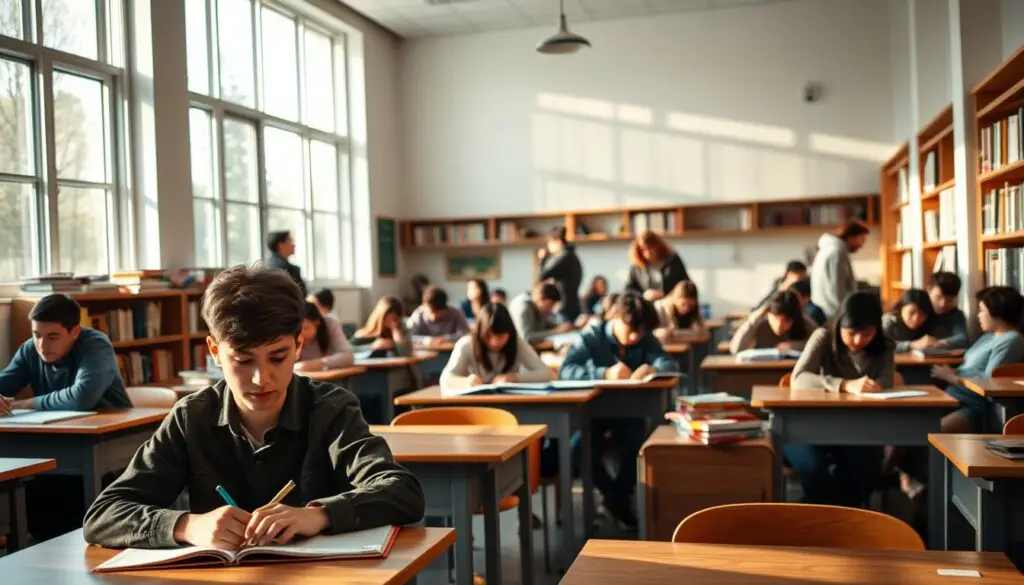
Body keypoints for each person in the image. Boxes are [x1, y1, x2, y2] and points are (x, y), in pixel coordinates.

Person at [83, 266, 425, 549]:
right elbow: (103, 515)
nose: (262, 378)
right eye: (243, 360)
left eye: (278, 357)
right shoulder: (192, 417)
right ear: (215, 352)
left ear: (298, 345)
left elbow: (402, 492)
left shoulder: (331, 410)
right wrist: (187, 526)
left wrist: (318, 514)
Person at [0, 294, 132, 541]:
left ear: (74, 332)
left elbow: (82, 397)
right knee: (31, 485)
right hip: (52, 439)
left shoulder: (95, 344)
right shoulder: (31, 349)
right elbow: (5, 383)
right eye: (36, 335)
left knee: (68, 492)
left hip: (108, 443)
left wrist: (26, 403)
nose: (42, 345)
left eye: (52, 336)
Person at [560, 293, 678, 528]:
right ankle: (617, 500)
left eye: (641, 332)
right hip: (591, 412)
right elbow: (567, 369)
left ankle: (616, 500)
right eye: (631, 329)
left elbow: (669, 364)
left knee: (638, 442)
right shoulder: (593, 335)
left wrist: (652, 368)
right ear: (616, 318)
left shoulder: (645, 338)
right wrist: (603, 373)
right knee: (577, 448)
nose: (635, 336)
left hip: (629, 412)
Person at [784, 291, 892, 506]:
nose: (859, 340)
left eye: (868, 334)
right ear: (840, 324)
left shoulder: (884, 346)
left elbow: (888, 379)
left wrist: (880, 385)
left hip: (853, 429)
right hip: (806, 427)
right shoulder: (823, 336)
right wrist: (844, 385)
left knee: (866, 470)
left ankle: (841, 517)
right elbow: (799, 378)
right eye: (852, 333)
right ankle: (828, 518)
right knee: (815, 471)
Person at [931, 286, 1024, 433]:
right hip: (954, 396)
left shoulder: (1012, 340)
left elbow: (990, 382)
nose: (978, 316)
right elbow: (972, 368)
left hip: (973, 404)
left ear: (996, 313)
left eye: (982, 310)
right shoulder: (989, 336)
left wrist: (952, 377)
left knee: (928, 431)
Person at [440, 303, 554, 390]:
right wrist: (467, 382)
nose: (494, 342)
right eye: (488, 336)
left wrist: (515, 378)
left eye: (501, 336)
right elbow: (445, 379)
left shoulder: (517, 343)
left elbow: (548, 374)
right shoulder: (466, 344)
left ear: (510, 332)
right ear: (480, 333)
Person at [351, 297, 422, 420]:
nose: (390, 322)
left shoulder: (402, 333)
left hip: (394, 375)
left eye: (395, 319)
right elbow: (351, 351)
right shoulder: (363, 333)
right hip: (367, 374)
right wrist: (372, 347)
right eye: (388, 318)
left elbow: (406, 353)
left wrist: (395, 333)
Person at [809, 221, 870, 318]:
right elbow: (837, 290)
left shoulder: (828, 250)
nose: (861, 245)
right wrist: (848, 314)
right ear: (851, 237)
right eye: (861, 240)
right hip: (832, 313)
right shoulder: (837, 253)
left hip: (826, 309)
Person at [729, 290, 817, 355]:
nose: (779, 325)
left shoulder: (805, 323)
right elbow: (736, 349)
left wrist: (793, 346)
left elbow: (820, 346)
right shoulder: (759, 322)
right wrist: (753, 320)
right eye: (775, 319)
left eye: (786, 321)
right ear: (768, 314)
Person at [625, 230, 690, 301]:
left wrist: (670, 295)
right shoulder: (637, 266)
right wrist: (644, 295)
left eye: (651, 248)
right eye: (643, 250)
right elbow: (628, 290)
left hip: (671, 307)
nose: (648, 253)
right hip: (646, 308)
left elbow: (686, 285)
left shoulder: (673, 261)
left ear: (658, 246)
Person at [537, 226, 584, 323]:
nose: (549, 247)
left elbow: (542, 276)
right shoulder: (572, 256)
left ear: (558, 241)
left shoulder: (564, 257)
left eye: (550, 243)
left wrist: (542, 259)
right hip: (572, 304)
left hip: (564, 307)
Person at [295, 302, 355, 372]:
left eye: (305, 328)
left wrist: (320, 363)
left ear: (317, 322)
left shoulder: (330, 324)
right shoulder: (293, 335)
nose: (301, 334)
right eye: (297, 331)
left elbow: (348, 357)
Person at [507, 282, 572, 340]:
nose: (550, 310)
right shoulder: (524, 307)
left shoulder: (541, 307)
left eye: (552, 307)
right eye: (549, 306)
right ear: (539, 298)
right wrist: (556, 331)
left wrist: (560, 327)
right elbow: (527, 337)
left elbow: (546, 325)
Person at [406, 286, 470, 342]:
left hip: (448, 351)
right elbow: (407, 335)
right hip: (424, 351)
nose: (434, 316)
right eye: (432, 312)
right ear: (424, 305)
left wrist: (446, 339)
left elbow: (465, 333)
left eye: (438, 313)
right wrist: (426, 340)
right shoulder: (418, 314)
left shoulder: (455, 313)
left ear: (445, 308)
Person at [927, 272, 969, 349]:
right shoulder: (916, 309)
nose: (943, 304)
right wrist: (913, 344)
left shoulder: (955, 314)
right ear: (929, 291)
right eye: (938, 297)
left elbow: (962, 338)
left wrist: (940, 343)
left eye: (949, 300)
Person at [265, 230, 307, 296]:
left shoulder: (266, 266)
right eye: (290, 241)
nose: (294, 245)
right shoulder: (287, 269)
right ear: (280, 245)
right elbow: (300, 296)